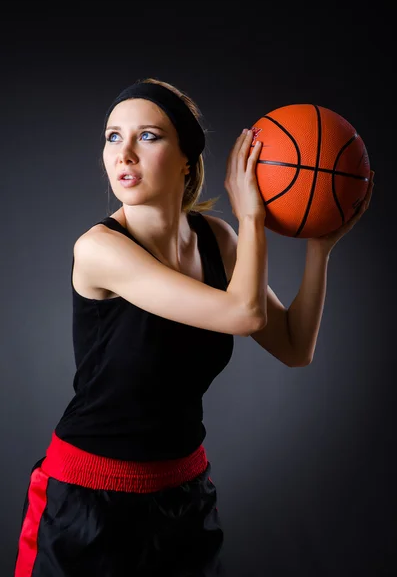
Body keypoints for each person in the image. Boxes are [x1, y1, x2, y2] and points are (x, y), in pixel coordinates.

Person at [14, 78, 374, 577]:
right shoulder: (99, 249)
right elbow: (245, 315)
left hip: (183, 495)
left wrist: (320, 247)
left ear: (187, 157)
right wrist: (253, 216)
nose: (125, 154)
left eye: (149, 136)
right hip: (89, 498)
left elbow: (293, 346)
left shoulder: (216, 240)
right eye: (113, 136)